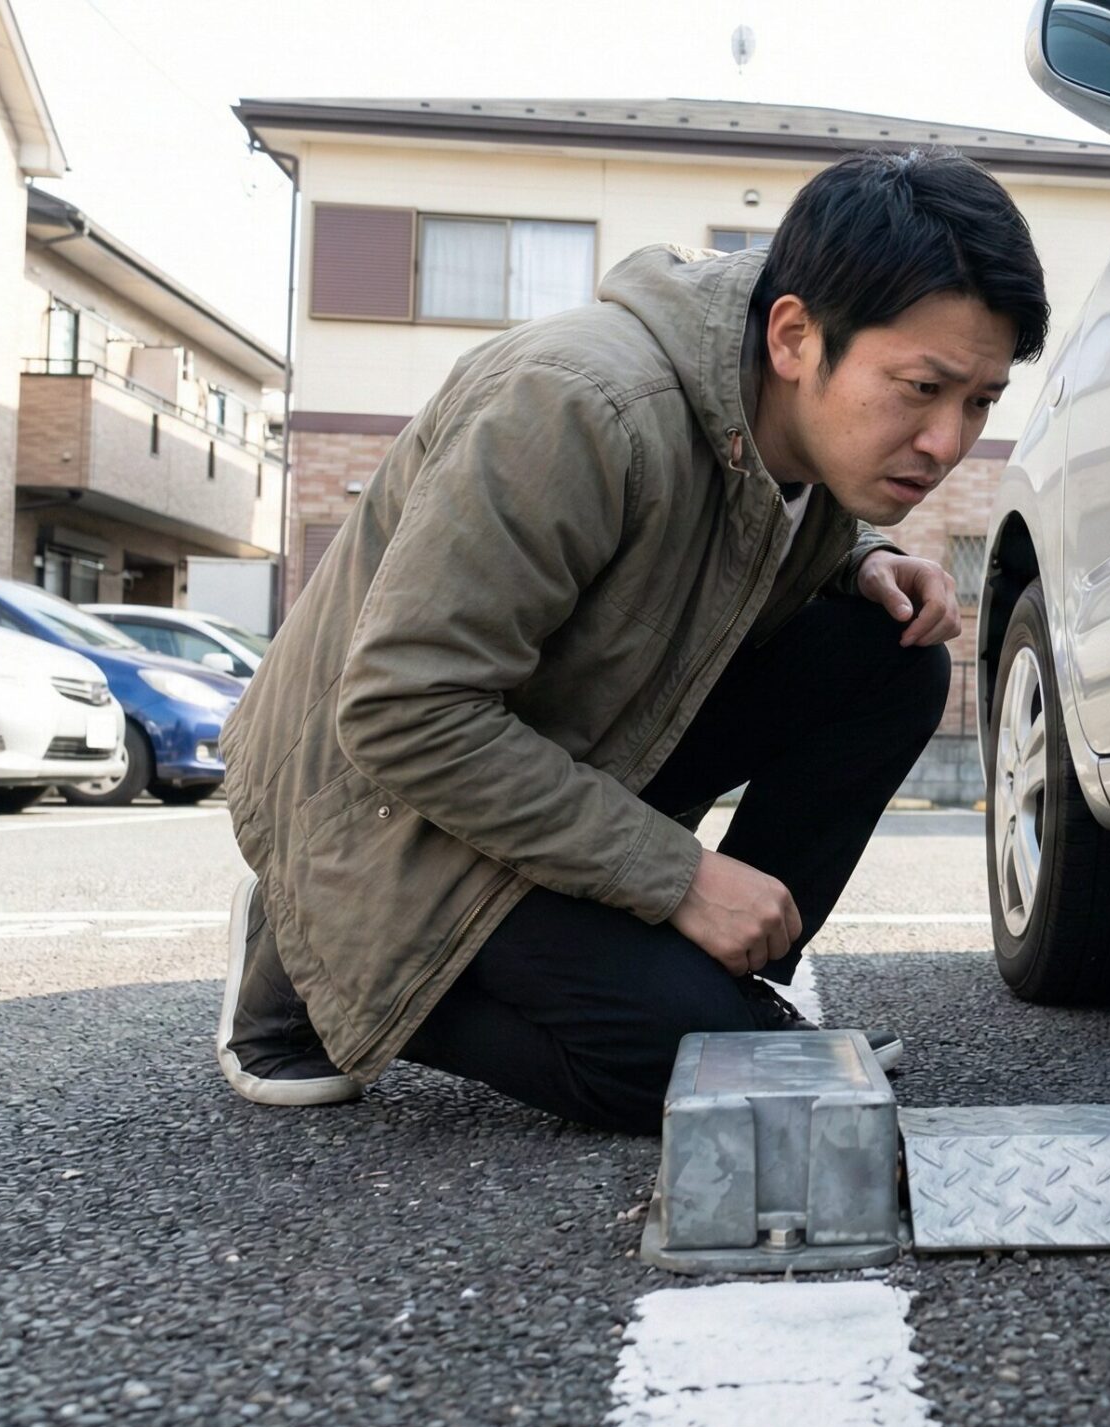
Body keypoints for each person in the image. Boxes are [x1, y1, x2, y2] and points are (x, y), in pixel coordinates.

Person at [213, 149, 1047, 1132]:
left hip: (552, 764)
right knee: (678, 1069)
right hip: (383, 807)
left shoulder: (795, 433)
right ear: (793, 336)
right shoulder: (576, 408)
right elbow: (404, 713)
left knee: (893, 655)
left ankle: (716, 981)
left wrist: (858, 557)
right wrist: (681, 877)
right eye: (920, 387)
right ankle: (311, 951)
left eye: (979, 401)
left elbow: (726, 531)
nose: (948, 441)